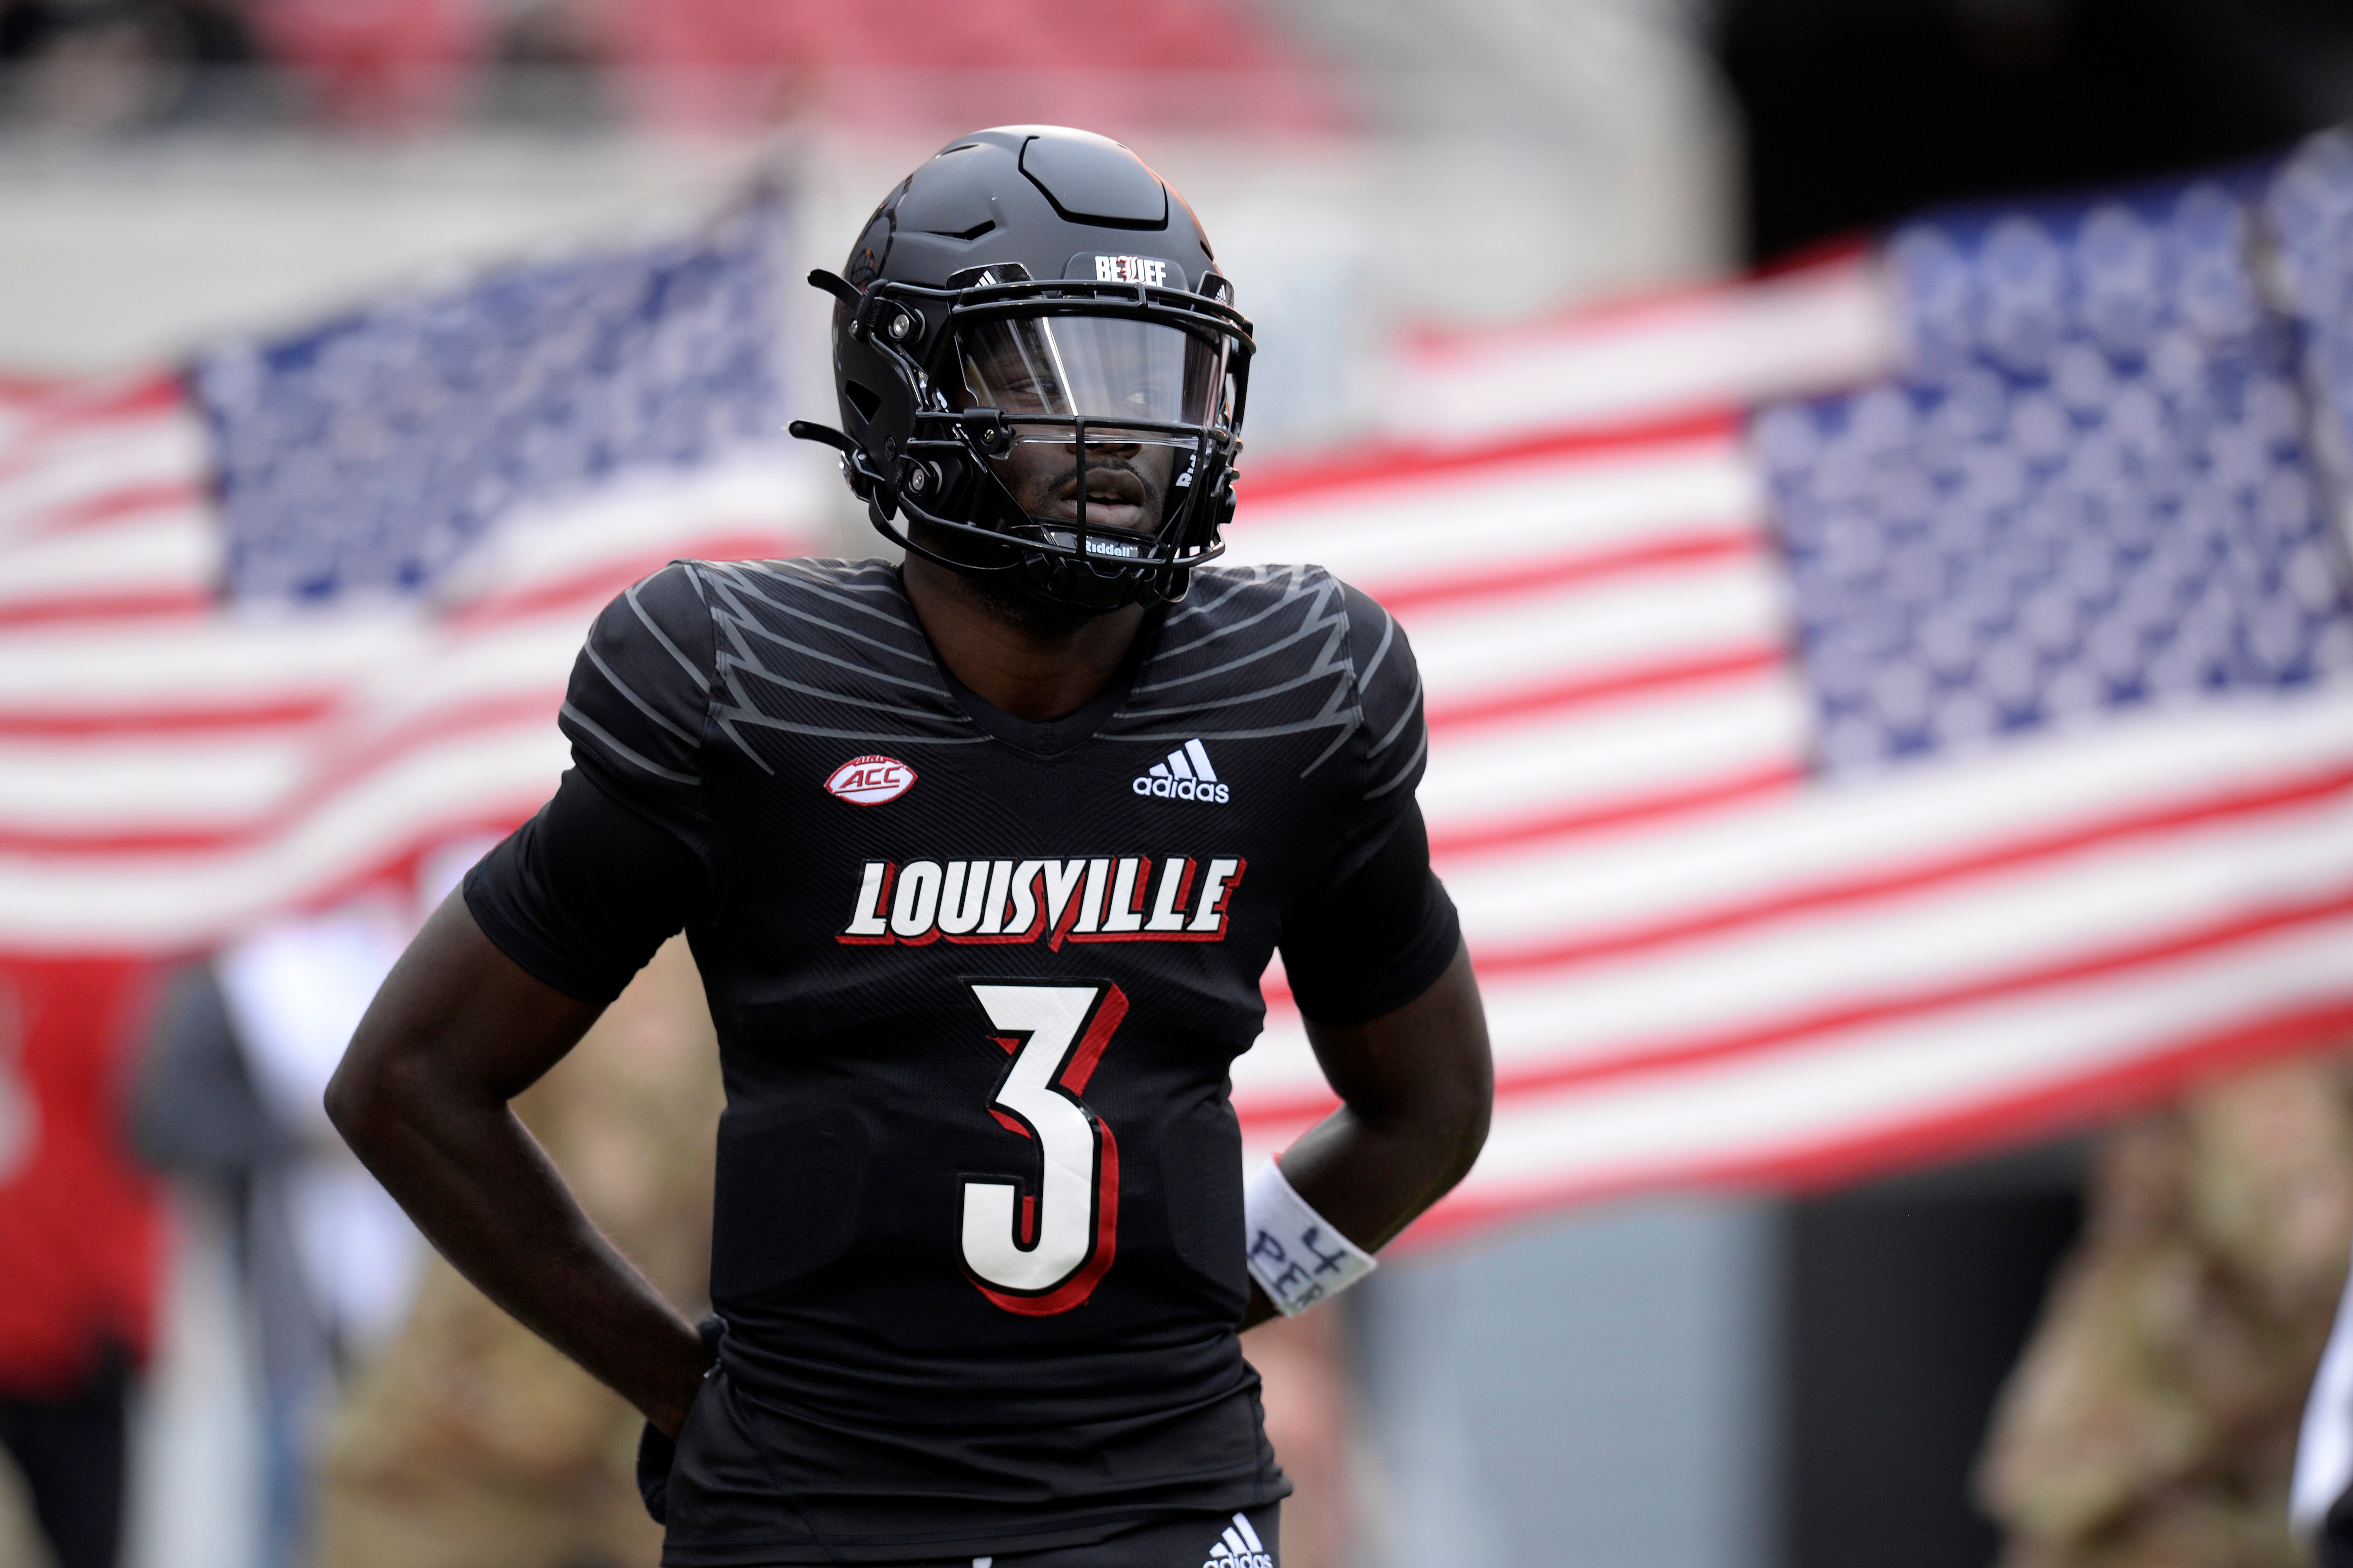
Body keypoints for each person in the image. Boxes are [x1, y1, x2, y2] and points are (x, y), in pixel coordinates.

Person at [327, 125, 1493, 1568]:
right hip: (818, 1503)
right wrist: (674, 1379)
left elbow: (1431, 1111)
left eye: (1150, 371)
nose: (1117, 430)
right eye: (1046, 371)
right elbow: (409, 1081)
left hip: (1158, 1499)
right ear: (902, 385)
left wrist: (1218, 1294)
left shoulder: (1294, 688)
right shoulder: (742, 688)